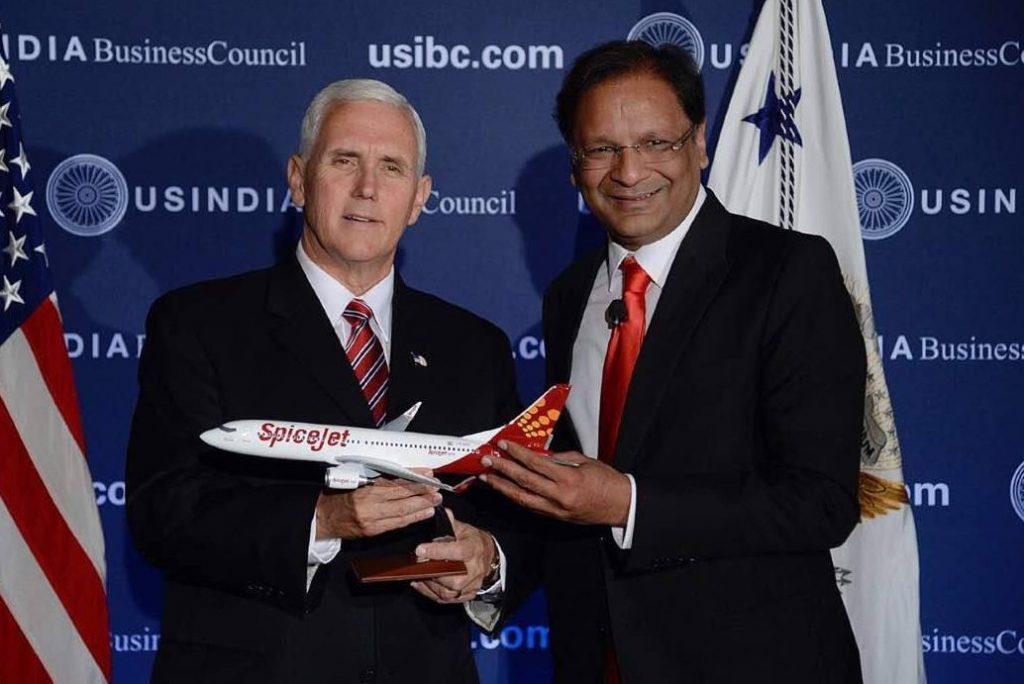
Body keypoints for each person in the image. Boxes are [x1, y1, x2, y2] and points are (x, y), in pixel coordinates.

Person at [478, 41, 866, 682]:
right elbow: (568, 502)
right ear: (575, 167)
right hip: (596, 660)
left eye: (656, 142)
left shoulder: (787, 272)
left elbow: (820, 500)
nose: (629, 172)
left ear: (700, 143)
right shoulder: (569, 296)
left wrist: (628, 503)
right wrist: (492, 560)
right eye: (601, 149)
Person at [126, 79, 513, 684]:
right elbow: (163, 513)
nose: (367, 188)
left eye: (392, 167)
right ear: (299, 179)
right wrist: (322, 520)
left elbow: (520, 512)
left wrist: (488, 561)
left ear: (419, 198)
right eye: (344, 161)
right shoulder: (199, 323)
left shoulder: (475, 346)